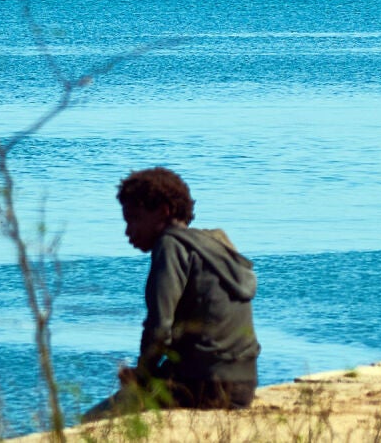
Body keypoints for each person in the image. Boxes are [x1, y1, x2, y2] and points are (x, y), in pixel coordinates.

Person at [84, 167, 260, 421]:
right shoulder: (214, 244)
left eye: (134, 219)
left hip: (205, 386)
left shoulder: (170, 246)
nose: (128, 231)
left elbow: (159, 328)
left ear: (163, 212)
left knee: (93, 419)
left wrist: (141, 377)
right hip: (243, 384)